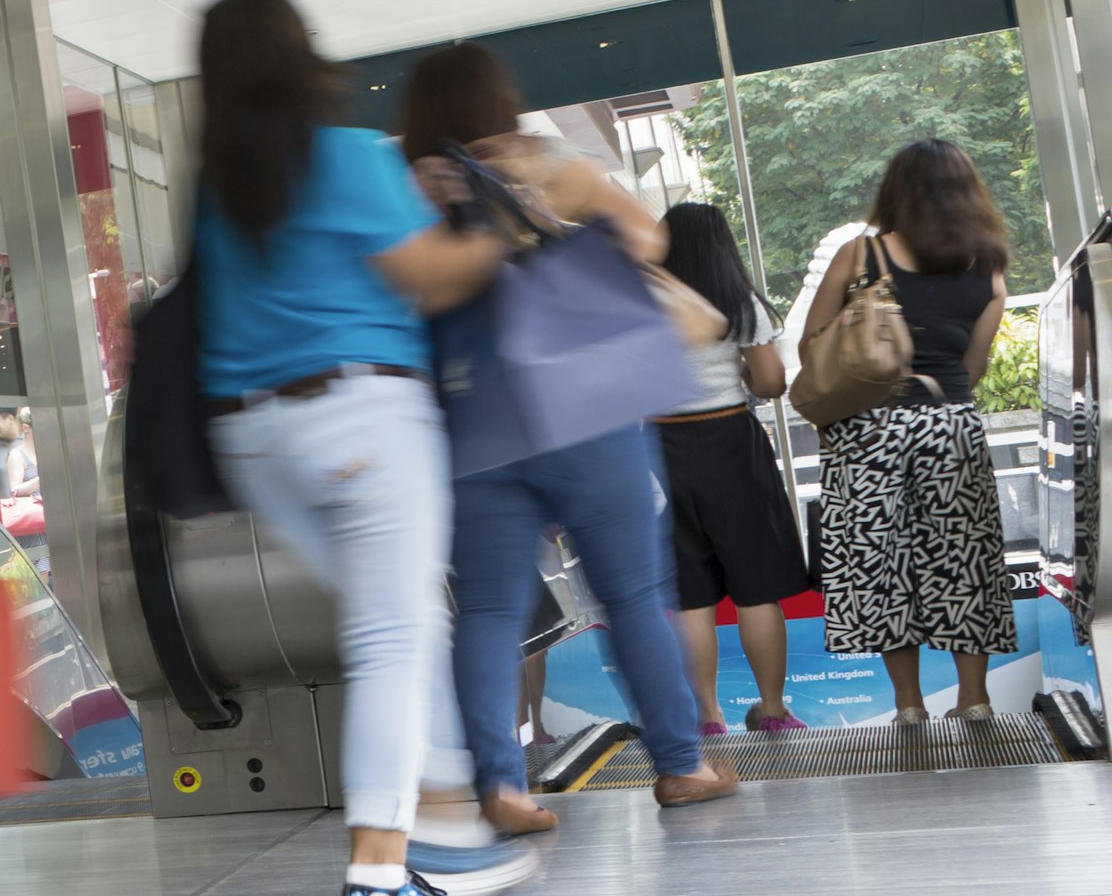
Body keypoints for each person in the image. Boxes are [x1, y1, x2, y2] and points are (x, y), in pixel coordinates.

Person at [189, 0, 523, 896]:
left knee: (406, 622)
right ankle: (381, 875)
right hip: (362, 421)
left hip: (255, 442)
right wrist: (498, 229)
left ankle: (447, 814)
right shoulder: (343, 156)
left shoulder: (223, 188)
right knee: (392, 636)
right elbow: (430, 278)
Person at [394, 44, 731, 822]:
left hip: (475, 427)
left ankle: (503, 785)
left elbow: (400, 291)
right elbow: (648, 240)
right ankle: (681, 765)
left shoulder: (407, 189)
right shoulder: (542, 162)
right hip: (589, 411)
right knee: (636, 595)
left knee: (486, 612)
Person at [802, 139, 1019, 722]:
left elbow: (812, 350)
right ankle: (974, 699)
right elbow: (975, 364)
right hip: (951, 426)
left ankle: (908, 704)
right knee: (964, 559)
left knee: (880, 562)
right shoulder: (989, 264)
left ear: (895, 189)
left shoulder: (861, 253)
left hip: (868, 429)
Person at [653, 200, 809, 734]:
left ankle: (708, 718)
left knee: (691, 596)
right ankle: (772, 711)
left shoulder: (641, 301)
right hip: (730, 444)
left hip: (660, 448)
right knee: (756, 588)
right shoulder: (739, 302)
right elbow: (770, 384)